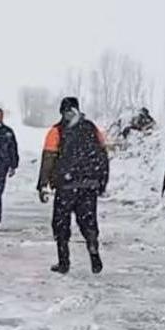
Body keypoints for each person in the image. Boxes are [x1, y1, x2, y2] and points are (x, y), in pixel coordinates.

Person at [37, 97, 109, 274]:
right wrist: (102, 181)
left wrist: (42, 184)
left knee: (61, 223)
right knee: (88, 222)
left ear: (61, 111)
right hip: (89, 185)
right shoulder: (92, 128)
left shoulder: (57, 131)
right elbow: (103, 154)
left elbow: (49, 157)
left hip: (66, 185)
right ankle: (93, 250)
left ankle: (64, 262)